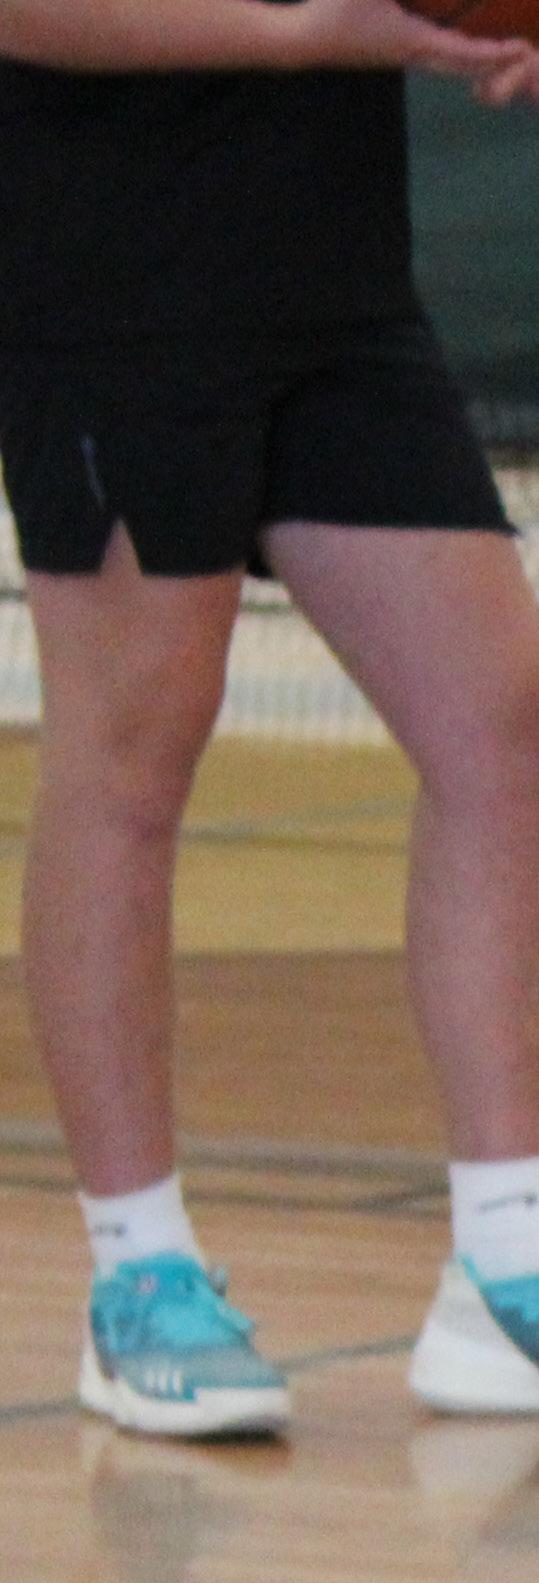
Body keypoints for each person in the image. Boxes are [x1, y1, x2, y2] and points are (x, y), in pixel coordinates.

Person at [1, 0, 539, 1432]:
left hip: (339, 293)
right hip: (116, 290)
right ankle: (138, 1276)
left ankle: (507, 1257)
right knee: (131, 758)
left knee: (499, 725)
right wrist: (312, 32)